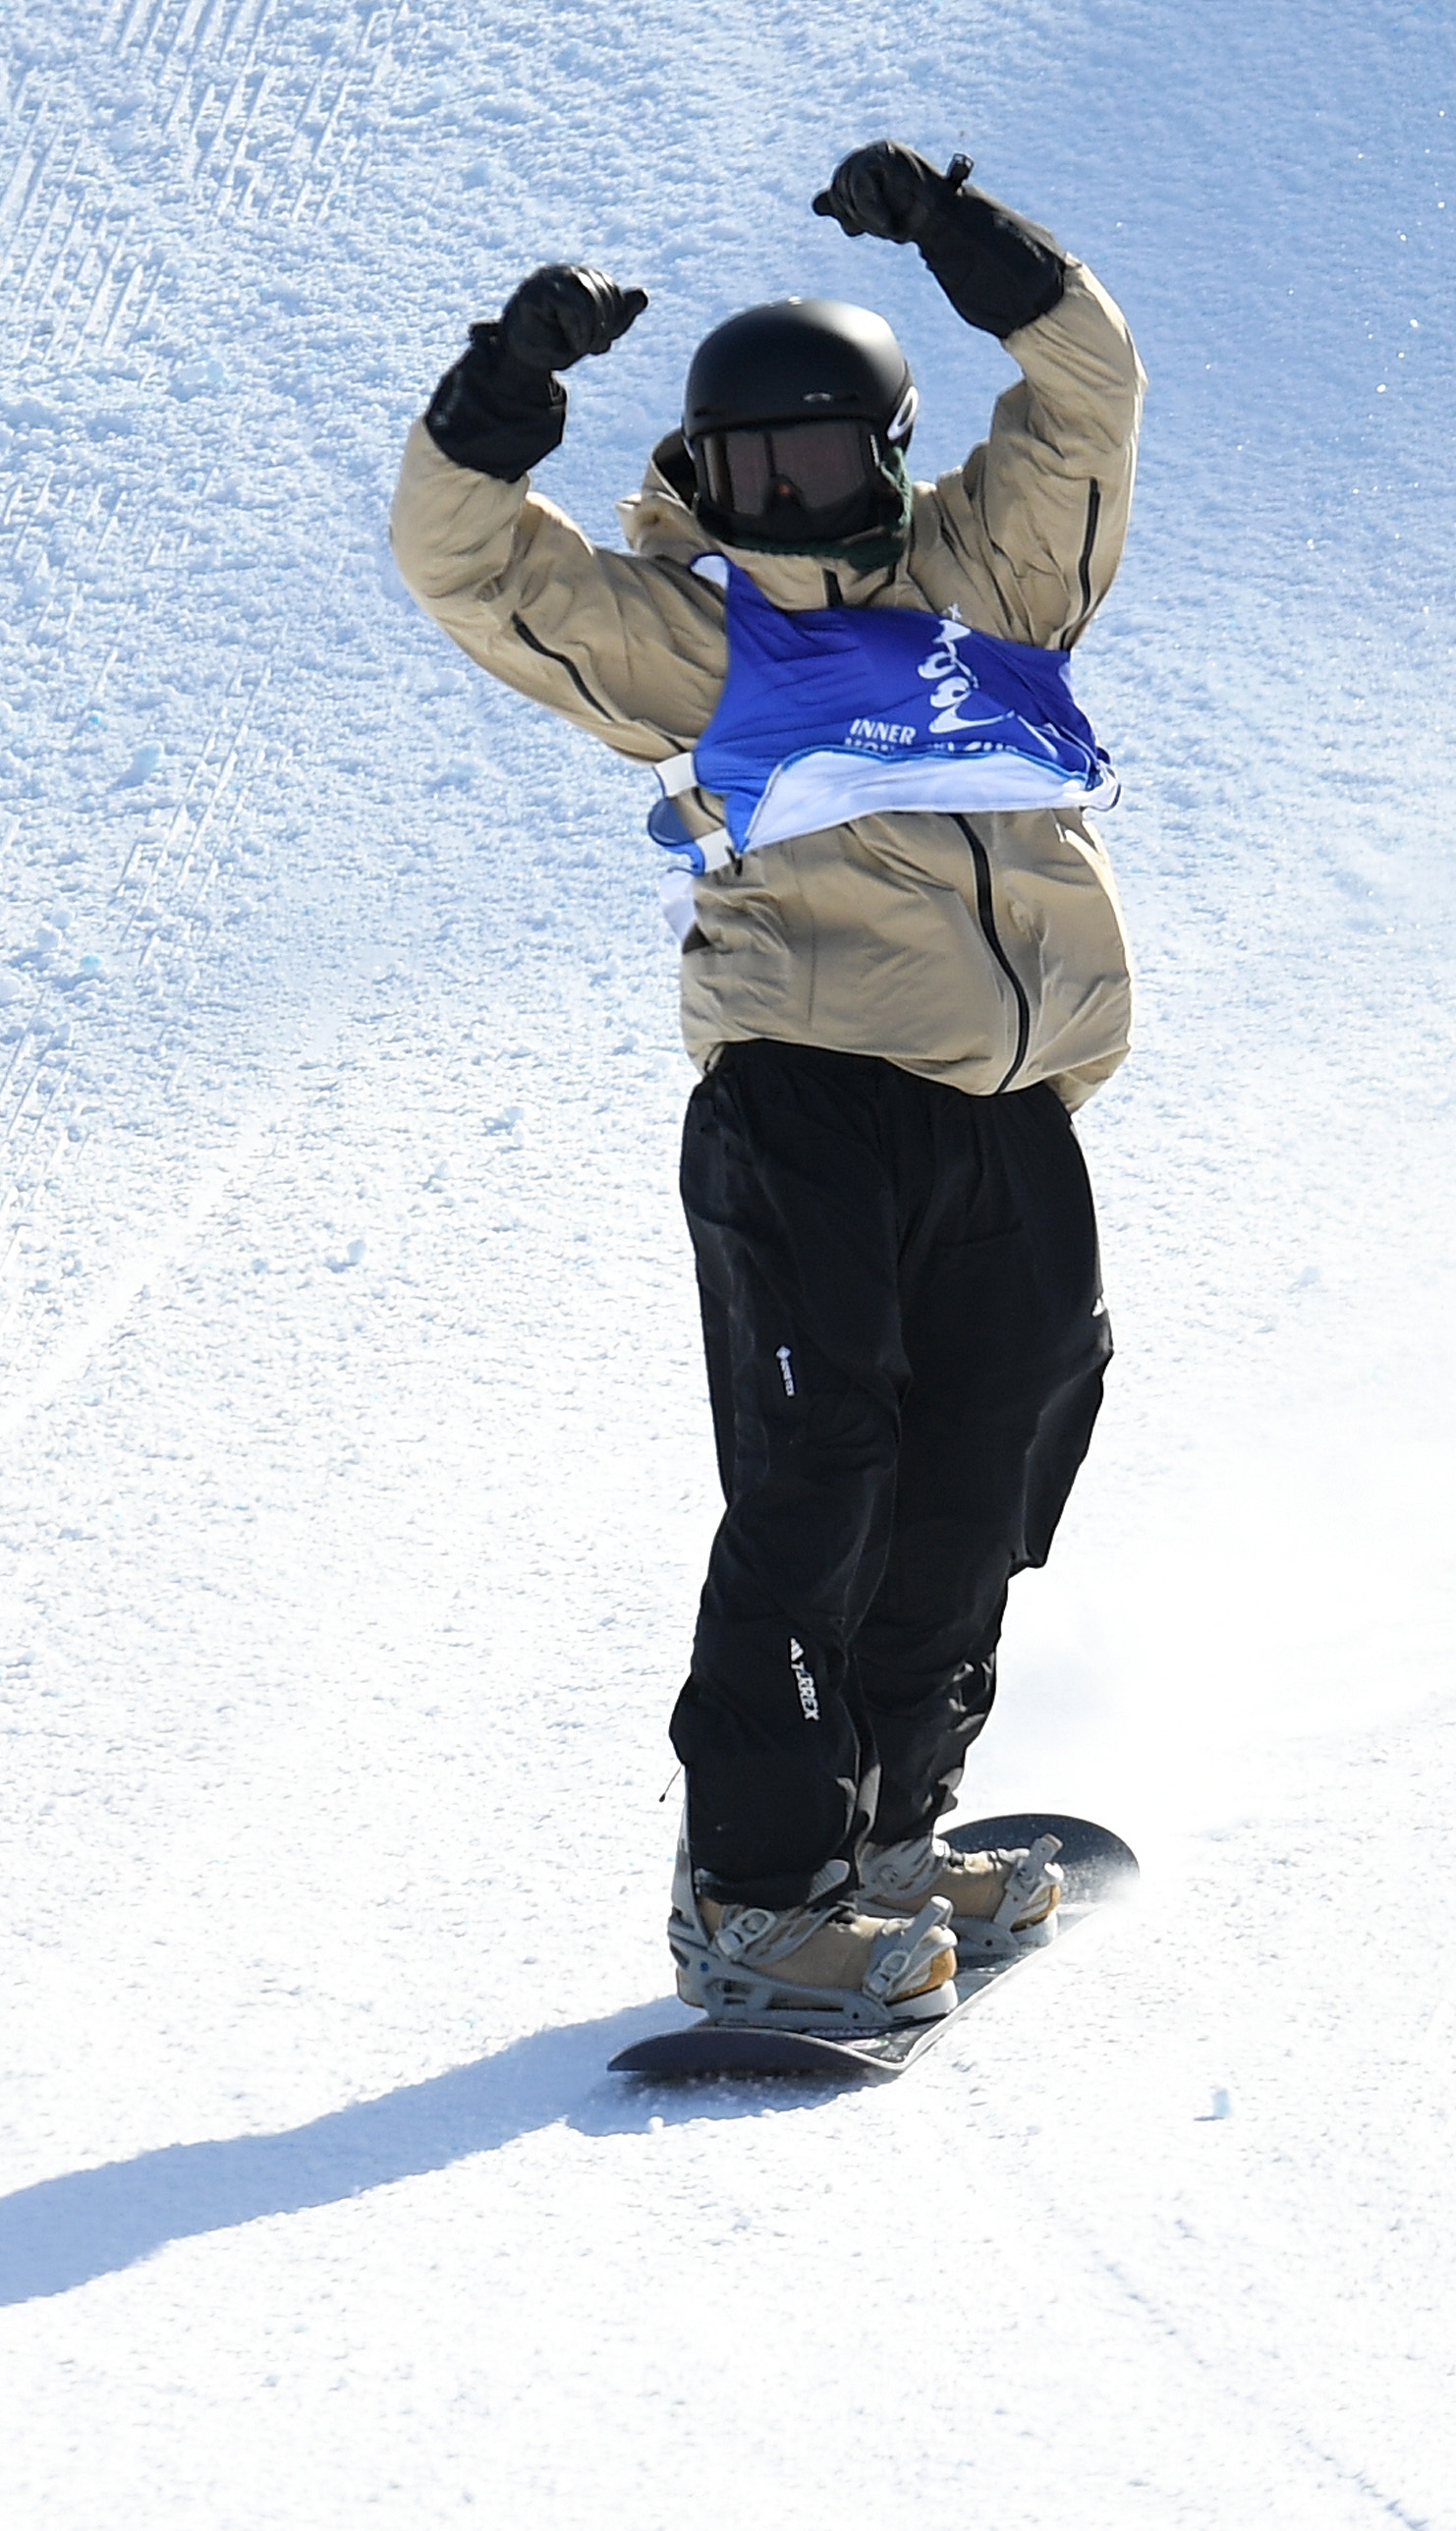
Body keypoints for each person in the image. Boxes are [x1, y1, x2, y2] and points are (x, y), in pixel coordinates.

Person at [389, 142, 1141, 2032]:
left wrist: (964, 235)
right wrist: (503, 389)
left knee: (982, 1476)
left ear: (890, 460)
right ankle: (754, 1889)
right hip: (807, 1105)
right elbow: (468, 562)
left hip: (1013, 1115)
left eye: (817, 464)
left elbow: (1087, 391)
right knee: (825, 1476)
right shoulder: (692, 636)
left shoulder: (1000, 585)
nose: (782, 501)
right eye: (745, 473)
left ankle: (884, 1840)